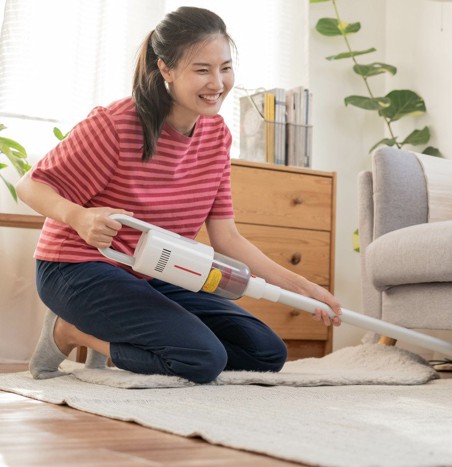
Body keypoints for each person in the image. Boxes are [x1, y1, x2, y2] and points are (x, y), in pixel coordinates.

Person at [16, 6, 341, 384]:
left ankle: (139, 341)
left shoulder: (216, 135)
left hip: (154, 270)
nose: (217, 82)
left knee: (265, 352)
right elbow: (30, 185)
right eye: (201, 70)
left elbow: (227, 238)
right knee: (202, 358)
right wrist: (79, 217)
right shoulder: (115, 125)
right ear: (166, 70)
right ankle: (70, 332)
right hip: (75, 269)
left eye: (225, 67)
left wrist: (307, 290)